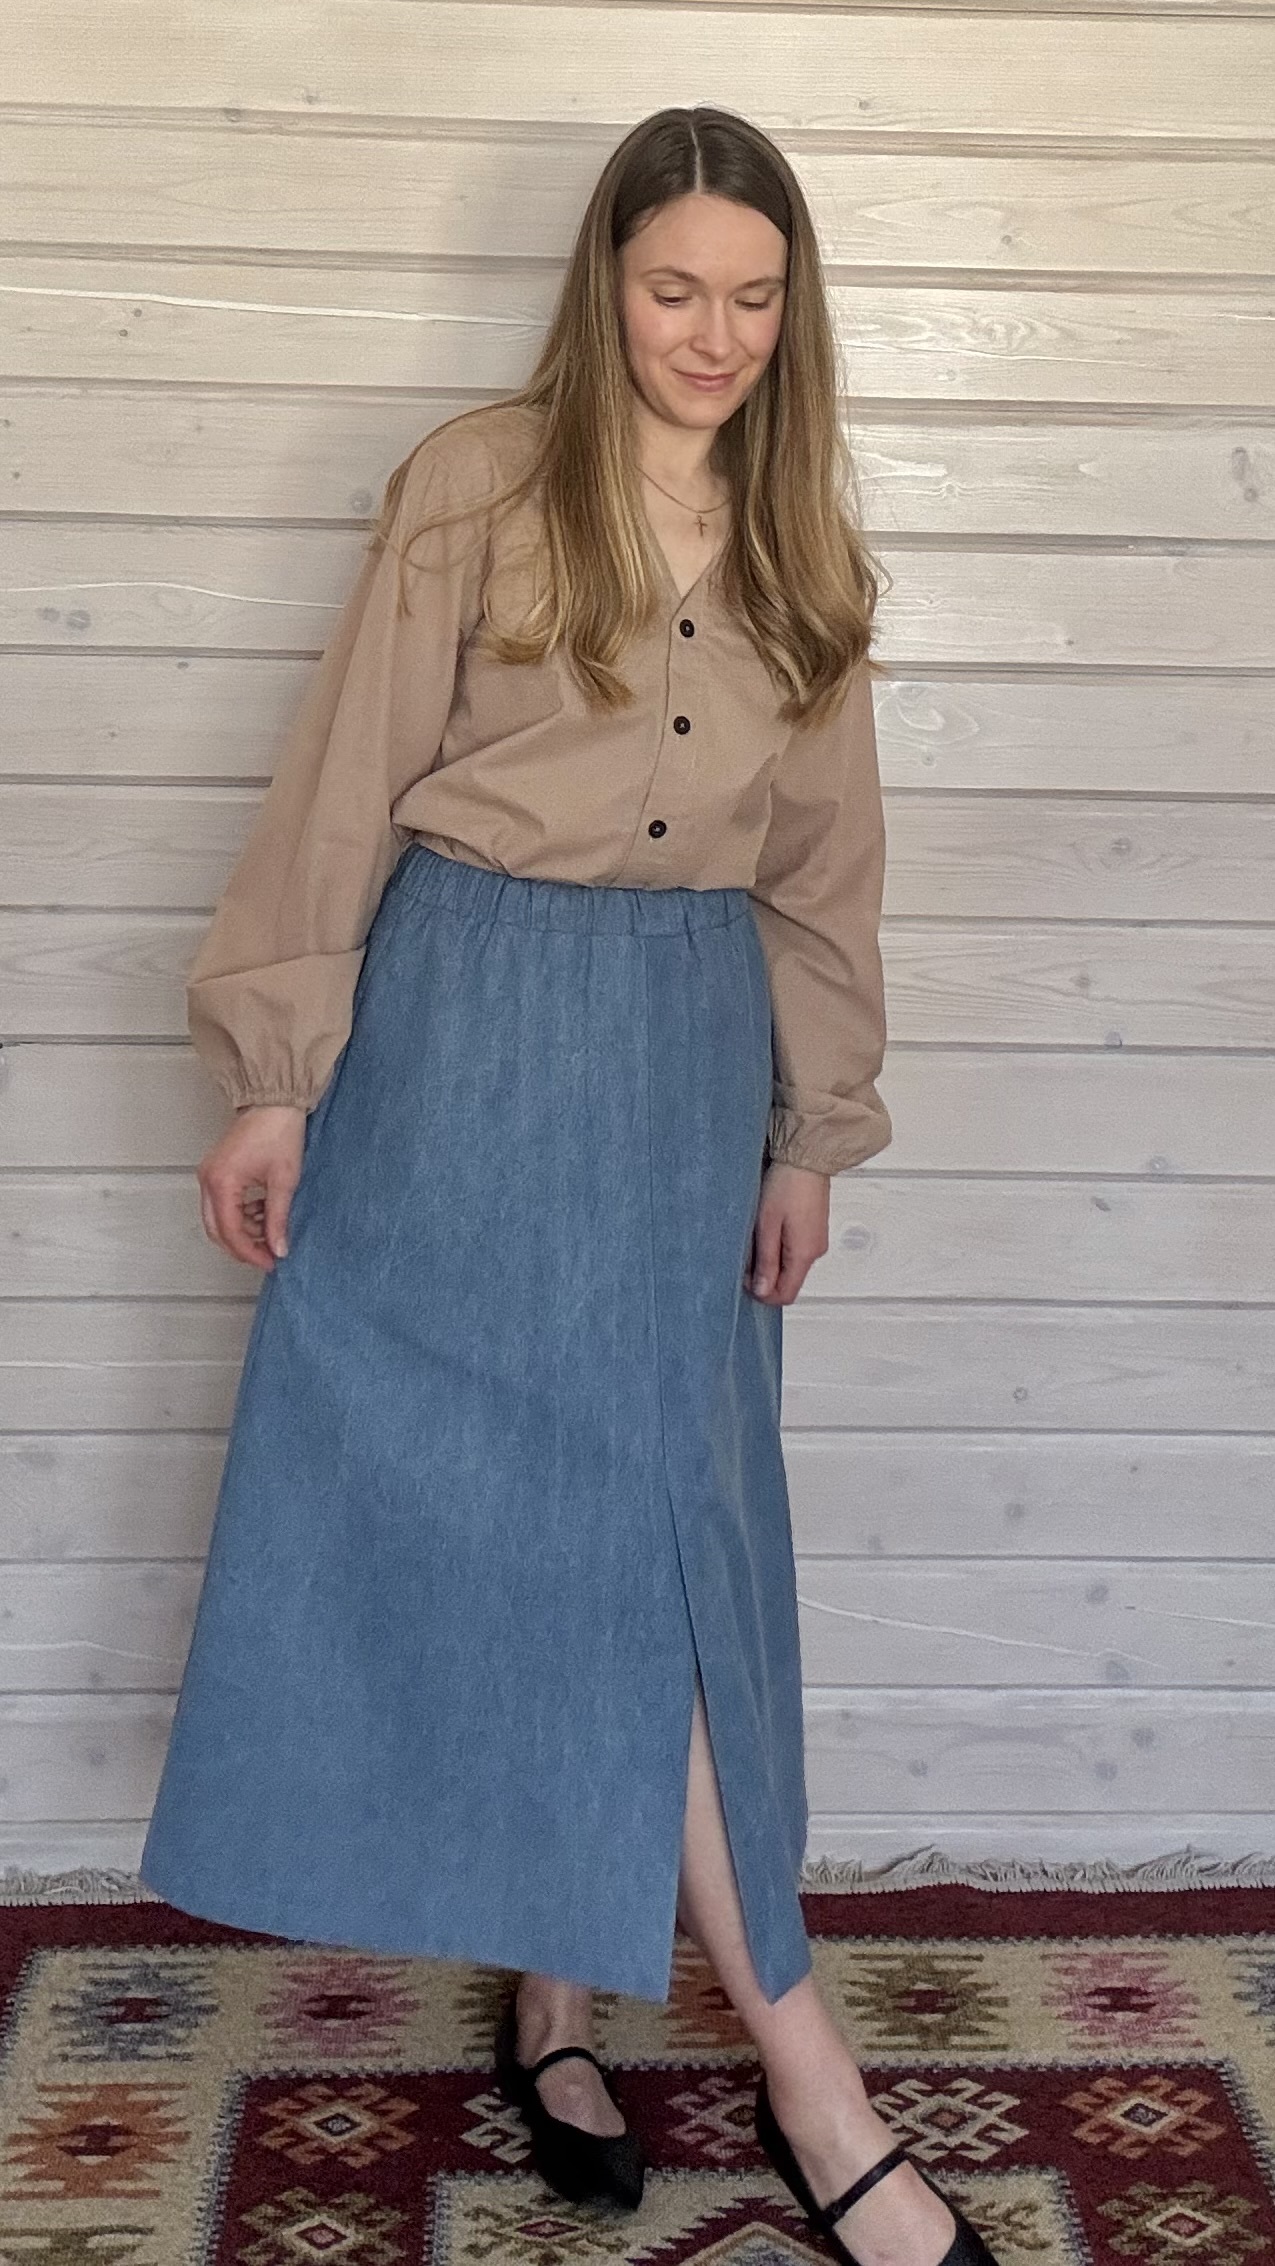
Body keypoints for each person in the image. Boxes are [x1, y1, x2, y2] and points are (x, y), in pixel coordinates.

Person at [138, 105, 998, 2266]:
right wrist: (275, 1076)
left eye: (754, 296)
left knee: (666, 1544)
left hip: (684, 1054)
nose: (711, 334)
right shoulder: (478, 483)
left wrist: (810, 1128)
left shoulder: (803, 545)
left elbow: (825, 877)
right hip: (464, 1033)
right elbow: (345, 779)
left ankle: (672, 2023)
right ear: (603, 281)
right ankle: (710, 2047)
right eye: (672, 287)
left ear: (794, 311)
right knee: (532, 1527)